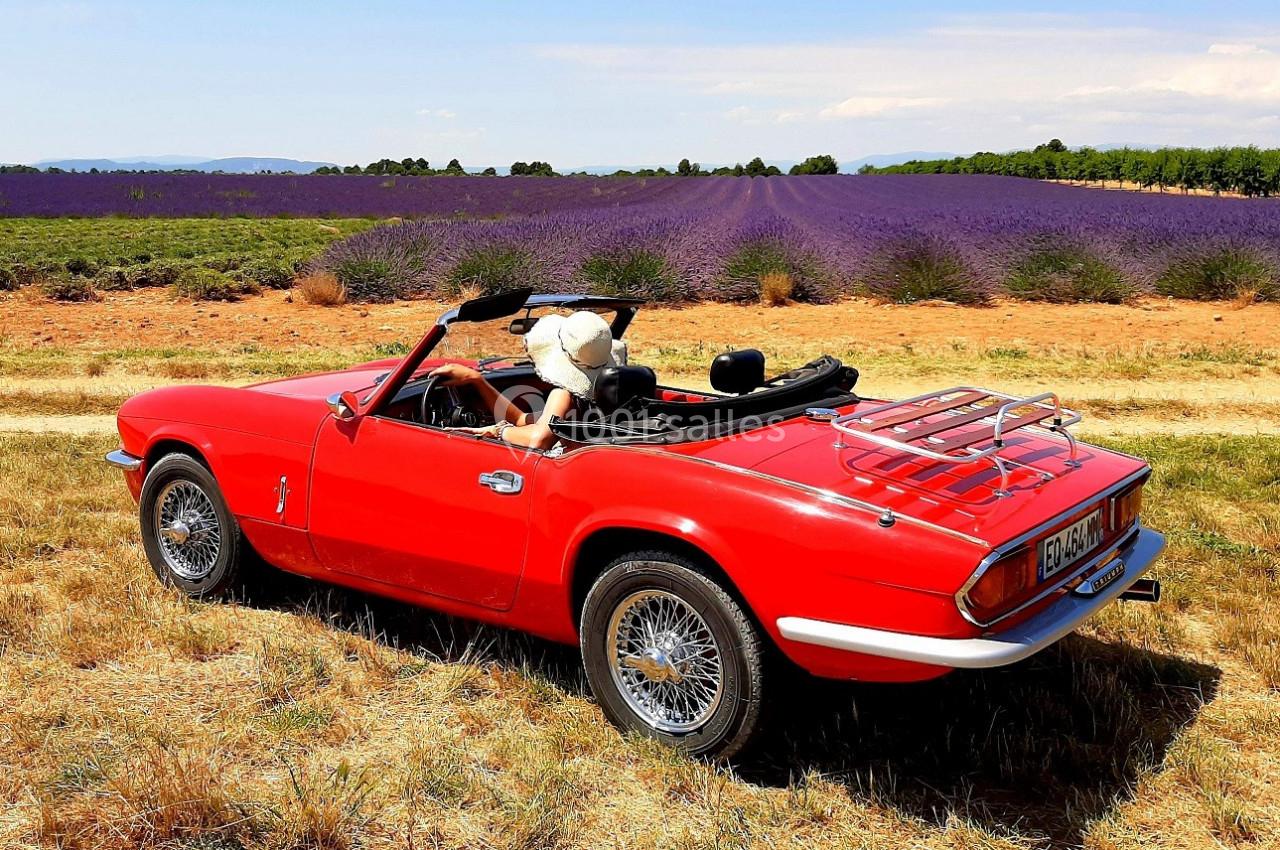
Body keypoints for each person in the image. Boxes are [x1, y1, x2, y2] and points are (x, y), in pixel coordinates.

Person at [428, 310, 616, 450]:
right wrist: (477, 380)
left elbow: (539, 439)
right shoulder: (608, 391)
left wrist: (498, 431)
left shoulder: (564, 393)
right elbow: (520, 419)